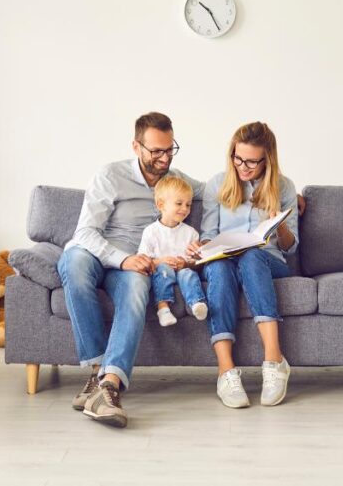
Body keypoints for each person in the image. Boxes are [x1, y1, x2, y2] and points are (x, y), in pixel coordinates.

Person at [57, 112, 201, 428]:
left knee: (139, 287)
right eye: (156, 151)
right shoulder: (110, 175)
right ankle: (97, 372)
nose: (164, 158)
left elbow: (221, 191)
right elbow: (84, 233)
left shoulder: (175, 180)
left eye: (170, 149)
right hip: (99, 254)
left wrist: (282, 196)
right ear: (136, 146)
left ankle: (108, 386)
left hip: (136, 265)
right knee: (75, 263)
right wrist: (121, 258)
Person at [190, 121, 299, 408]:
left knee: (251, 256)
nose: (243, 166)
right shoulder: (217, 184)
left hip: (267, 260)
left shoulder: (284, 187)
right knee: (219, 268)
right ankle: (226, 371)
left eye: (252, 162)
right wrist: (203, 247)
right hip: (226, 258)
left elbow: (291, 247)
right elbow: (209, 235)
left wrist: (281, 226)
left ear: (268, 160)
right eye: (238, 159)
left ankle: (274, 360)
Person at [137, 176, 208, 327]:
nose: (185, 209)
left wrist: (188, 262)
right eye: (179, 203)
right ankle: (163, 309)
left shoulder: (191, 233)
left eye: (188, 205)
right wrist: (160, 261)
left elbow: (196, 262)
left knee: (188, 273)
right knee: (163, 270)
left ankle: (196, 304)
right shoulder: (151, 231)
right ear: (161, 204)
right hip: (162, 270)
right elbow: (142, 259)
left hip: (182, 270)